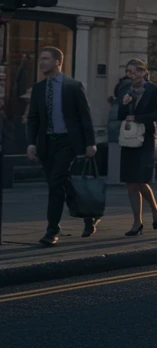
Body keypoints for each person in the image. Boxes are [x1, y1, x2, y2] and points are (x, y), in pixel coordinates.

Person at [25, 47, 97, 245]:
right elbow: (33, 119)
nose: (42, 63)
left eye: (46, 59)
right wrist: (31, 143)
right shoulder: (39, 88)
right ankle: (88, 215)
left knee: (56, 184)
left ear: (58, 62)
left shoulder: (73, 86)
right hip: (47, 144)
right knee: (63, 183)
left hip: (67, 142)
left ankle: (52, 230)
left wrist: (90, 143)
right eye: (41, 59)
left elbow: (85, 117)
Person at [113, 59, 157, 236]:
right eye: (128, 71)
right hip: (128, 139)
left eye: (133, 72)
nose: (130, 75)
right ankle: (137, 222)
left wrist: (139, 117)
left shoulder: (153, 89)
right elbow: (119, 115)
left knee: (142, 179)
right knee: (130, 182)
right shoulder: (124, 89)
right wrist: (124, 104)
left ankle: (156, 210)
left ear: (143, 72)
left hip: (146, 138)